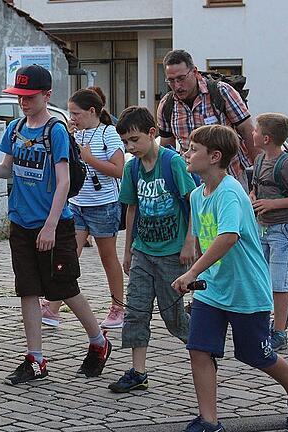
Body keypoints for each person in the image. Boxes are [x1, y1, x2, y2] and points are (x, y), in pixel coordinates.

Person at [172, 124, 288, 432]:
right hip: (212, 291)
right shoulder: (198, 195)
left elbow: (227, 237)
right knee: (199, 349)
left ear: (214, 156)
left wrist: (193, 271)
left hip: (246, 291)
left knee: (255, 354)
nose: (186, 153)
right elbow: (203, 240)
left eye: (192, 149)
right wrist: (199, 279)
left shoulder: (231, 192)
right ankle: (209, 421)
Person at [0, 64, 111, 385]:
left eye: (29, 96)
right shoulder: (16, 128)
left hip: (54, 225)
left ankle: (98, 340)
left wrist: (50, 226)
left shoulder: (57, 131)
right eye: (19, 95)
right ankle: (35, 358)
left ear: (47, 95)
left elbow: (63, 182)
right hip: (20, 223)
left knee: (64, 288)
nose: (23, 101)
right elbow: (8, 169)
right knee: (28, 290)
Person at [107, 106, 193, 393]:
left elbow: (192, 201)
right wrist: (128, 249)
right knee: (136, 311)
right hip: (143, 250)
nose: (130, 147)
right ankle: (138, 372)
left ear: (152, 133)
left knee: (174, 317)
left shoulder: (173, 163)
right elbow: (132, 208)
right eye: (125, 142)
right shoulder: (131, 167)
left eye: (135, 140)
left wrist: (189, 241)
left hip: (172, 252)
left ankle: (203, 349)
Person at [41, 88, 126, 329]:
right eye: (70, 113)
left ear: (92, 111)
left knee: (108, 257)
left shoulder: (108, 133)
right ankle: (53, 306)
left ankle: (118, 307)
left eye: (76, 113)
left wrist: (89, 159)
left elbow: (119, 170)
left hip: (104, 206)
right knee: (67, 255)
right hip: (77, 205)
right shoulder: (75, 135)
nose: (73, 118)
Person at [250, 113, 288, 351]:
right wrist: (253, 197)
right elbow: (256, 187)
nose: (252, 133)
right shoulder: (259, 160)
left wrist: (273, 204)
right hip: (262, 227)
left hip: (284, 230)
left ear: (266, 138)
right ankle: (264, 324)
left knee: (278, 283)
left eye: (255, 130)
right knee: (261, 279)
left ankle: (280, 332)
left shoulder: (285, 164)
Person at [157, 49, 258, 191]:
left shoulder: (221, 92)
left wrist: (259, 178)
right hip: (193, 185)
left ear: (195, 72)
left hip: (231, 179)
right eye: (171, 81)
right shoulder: (166, 105)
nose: (177, 86)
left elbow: (248, 132)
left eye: (181, 78)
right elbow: (167, 149)